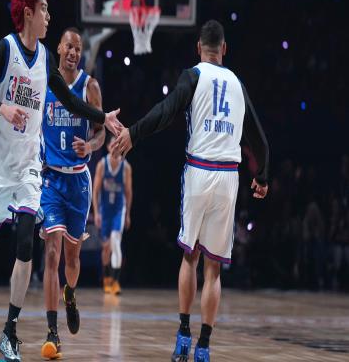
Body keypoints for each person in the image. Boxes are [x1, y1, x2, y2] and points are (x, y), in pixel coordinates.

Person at [0, 0, 122, 362]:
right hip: (0, 166)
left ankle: (10, 332)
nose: (49, 16)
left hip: (32, 168)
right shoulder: (6, 49)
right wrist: (1, 107)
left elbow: (70, 101)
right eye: (44, 9)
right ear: (28, 13)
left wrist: (103, 118)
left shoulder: (45, 57)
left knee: (27, 245)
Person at [112, 20, 269, 362]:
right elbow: (258, 138)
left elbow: (166, 111)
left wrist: (134, 133)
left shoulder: (193, 76)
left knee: (190, 257)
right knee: (214, 269)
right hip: (228, 177)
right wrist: (263, 176)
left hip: (199, 171)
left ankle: (184, 334)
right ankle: (205, 346)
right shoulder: (238, 84)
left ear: (199, 48)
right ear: (224, 49)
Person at [39, 27, 105, 359]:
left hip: (78, 182)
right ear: (59, 48)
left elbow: (101, 134)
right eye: (69, 46)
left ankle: (70, 293)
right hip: (51, 180)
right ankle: (52, 333)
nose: (73, 52)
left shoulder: (89, 86)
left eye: (78, 48)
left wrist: (90, 147)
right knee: (51, 254)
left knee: (72, 258)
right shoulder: (45, 82)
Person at [92, 136, 132, 295]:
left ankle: (115, 281)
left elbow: (128, 192)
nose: (115, 148)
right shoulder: (102, 165)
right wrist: (96, 212)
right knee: (106, 248)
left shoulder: (126, 167)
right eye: (113, 145)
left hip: (118, 210)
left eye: (118, 145)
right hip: (105, 210)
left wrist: (127, 214)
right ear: (108, 147)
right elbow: (95, 191)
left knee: (116, 242)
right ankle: (107, 278)